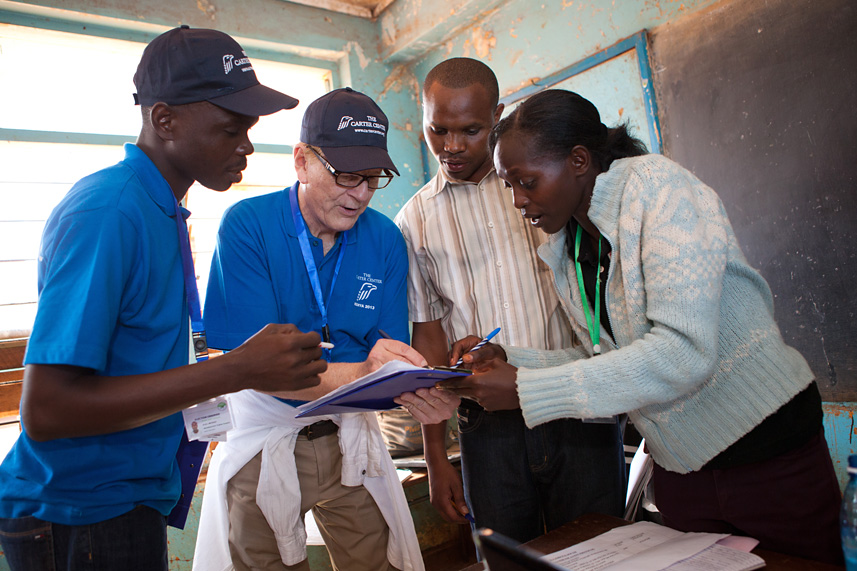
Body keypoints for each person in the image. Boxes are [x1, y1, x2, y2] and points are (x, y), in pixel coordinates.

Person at [441, 88, 843, 564]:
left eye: (526, 181)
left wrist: (527, 388)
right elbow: (609, 356)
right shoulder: (572, 243)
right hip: (682, 464)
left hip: (766, 452)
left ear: (578, 159)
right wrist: (511, 360)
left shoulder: (658, 190)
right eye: (510, 186)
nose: (518, 201)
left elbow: (683, 352)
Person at [0, 26, 329, 571]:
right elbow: (47, 409)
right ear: (164, 120)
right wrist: (238, 370)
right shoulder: (110, 211)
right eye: (230, 129)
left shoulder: (162, 209)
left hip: (125, 495)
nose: (246, 144)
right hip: (80, 509)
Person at [193, 87, 455, 571]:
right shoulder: (248, 227)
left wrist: (424, 391)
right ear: (301, 161)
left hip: (347, 435)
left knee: (380, 561)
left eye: (372, 179)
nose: (360, 195)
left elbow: (388, 355)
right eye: (347, 176)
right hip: (265, 438)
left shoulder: (383, 239)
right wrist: (366, 374)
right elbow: (256, 370)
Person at [395, 58, 626, 544]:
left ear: (497, 115)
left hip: (576, 407)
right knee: (506, 555)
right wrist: (436, 458)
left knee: (599, 549)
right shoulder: (414, 220)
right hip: (487, 424)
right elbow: (429, 336)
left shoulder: (541, 183)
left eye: (471, 130)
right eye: (438, 130)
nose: (452, 146)